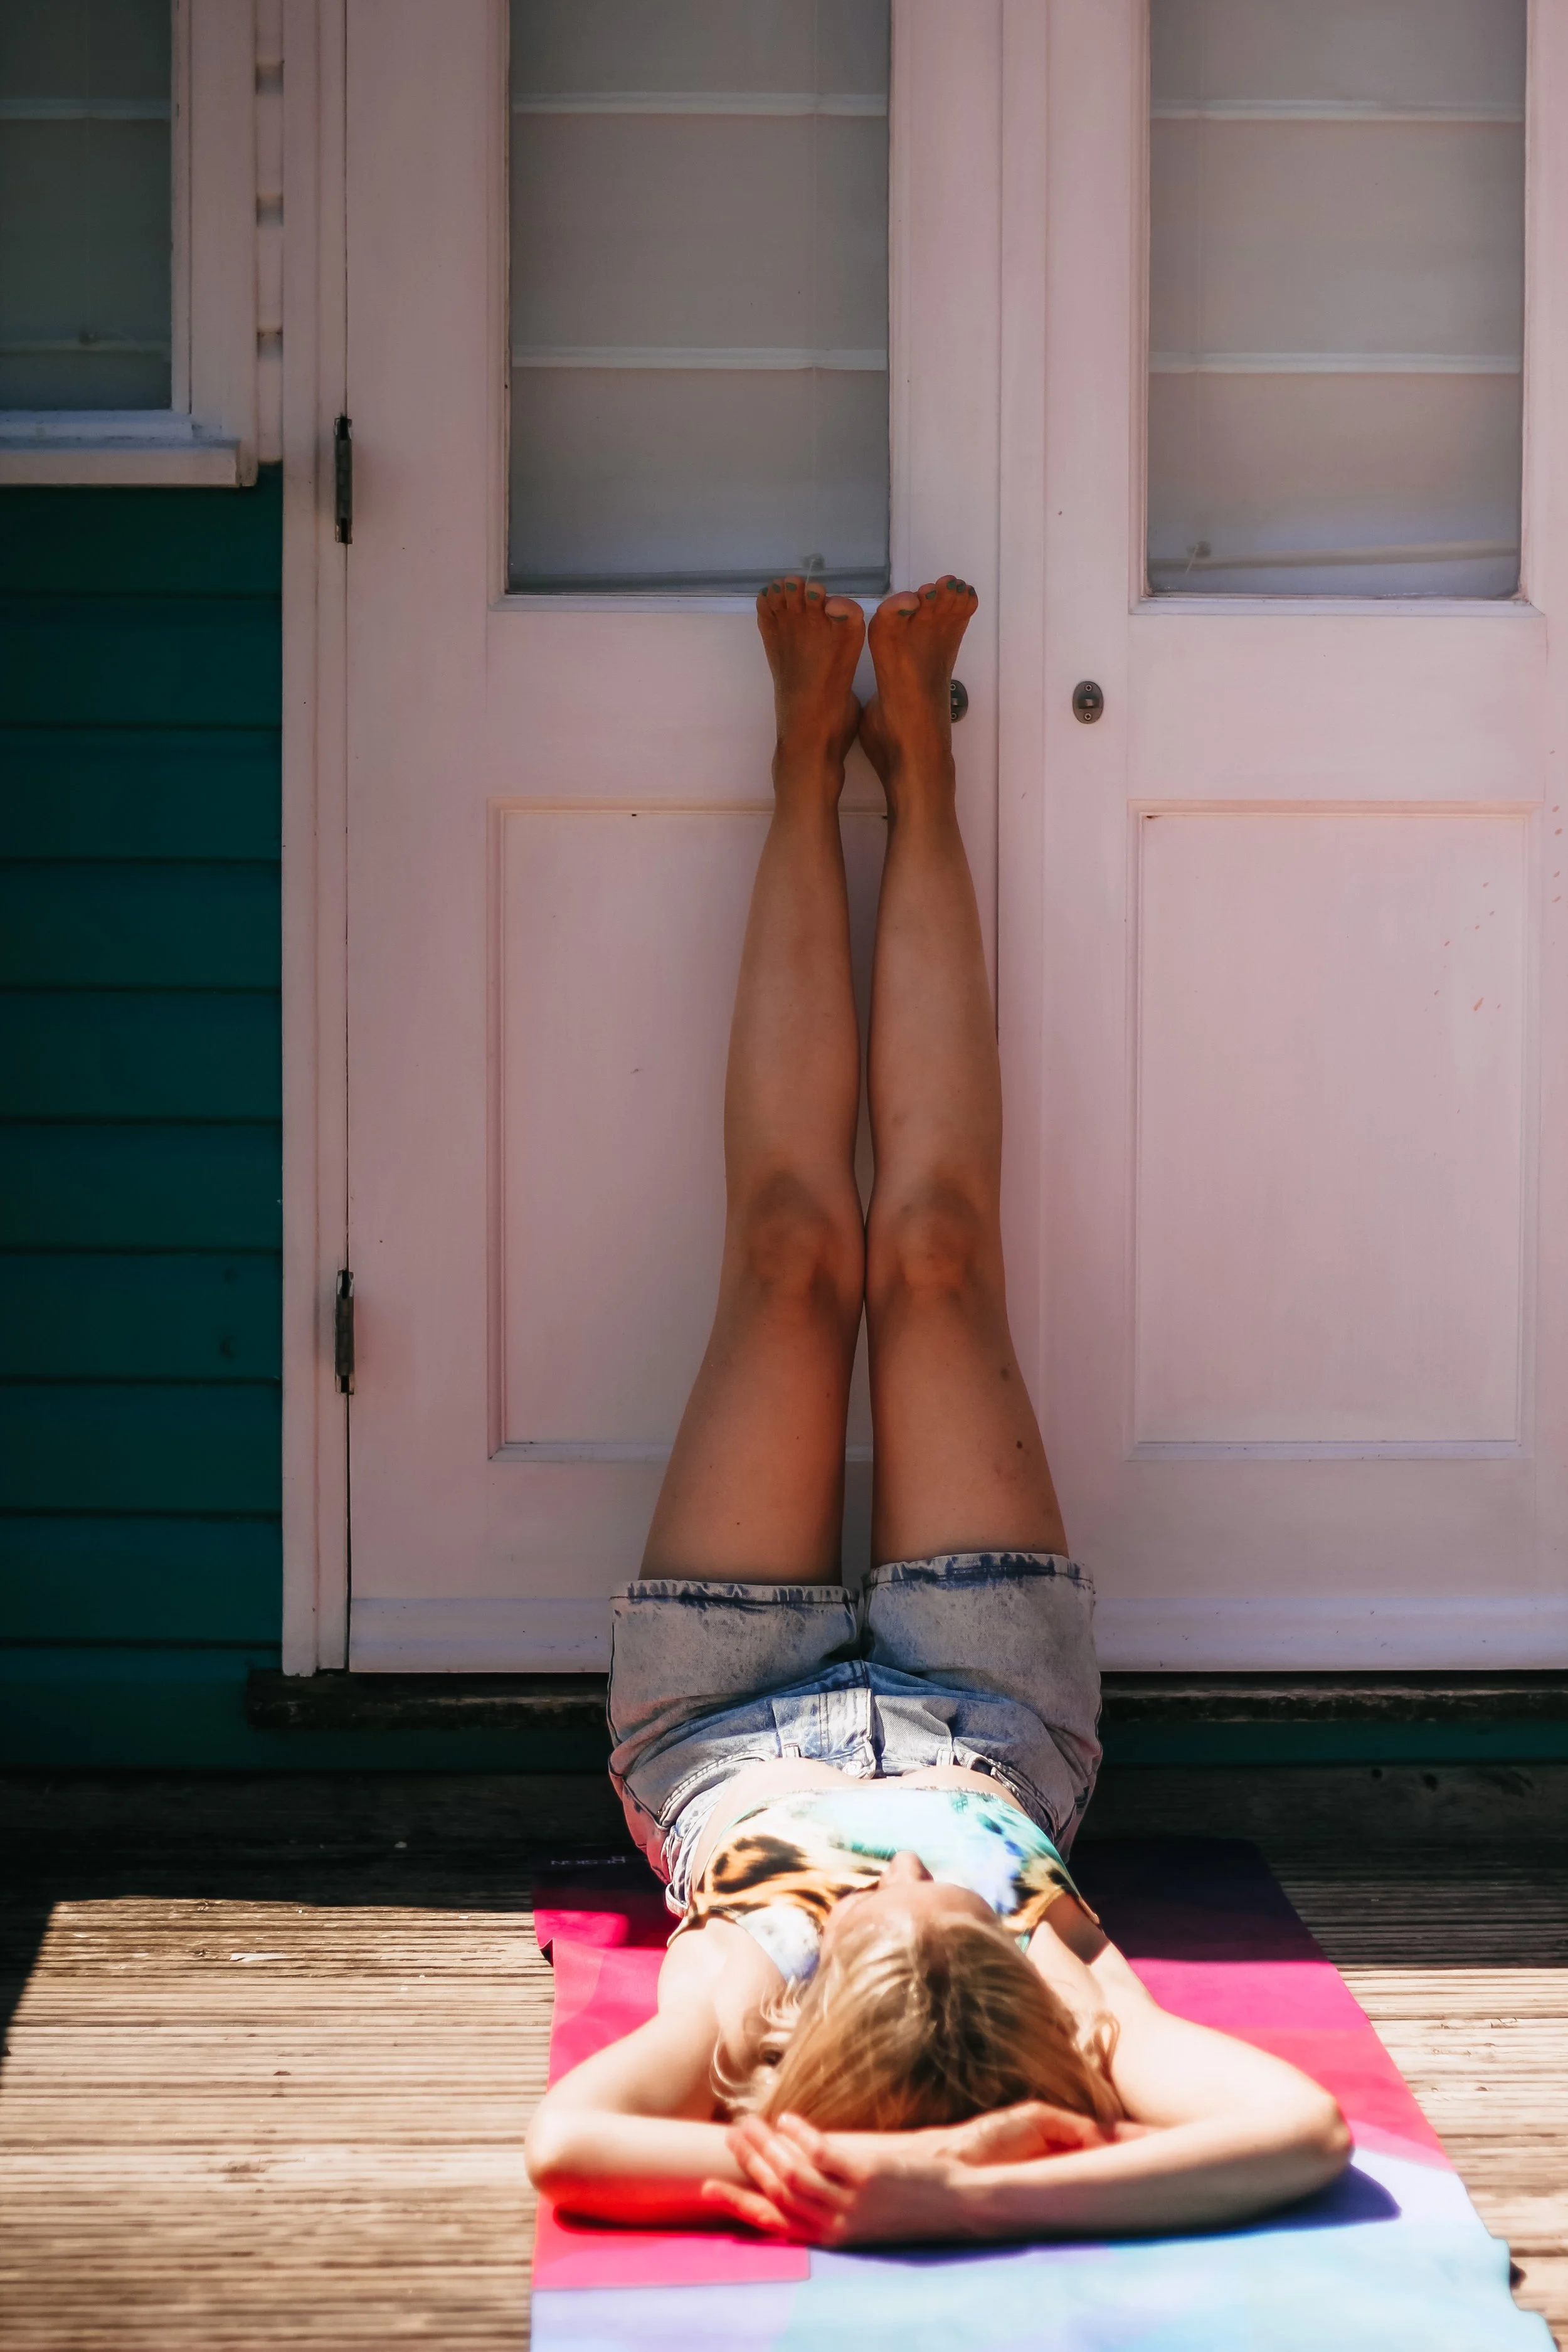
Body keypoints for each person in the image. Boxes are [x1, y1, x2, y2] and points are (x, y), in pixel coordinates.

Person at [524, 576, 1349, 2245]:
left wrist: (804, 2175)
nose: (902, 1879)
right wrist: (969, 2193)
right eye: (934, 1903)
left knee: (786, 1257)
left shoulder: (749, 2009)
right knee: (934, 1253)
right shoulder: (1055, 1986)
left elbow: (574, 2143)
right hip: (991, 1702)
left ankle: (800, 758)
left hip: (720, 1718)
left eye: (886, 1909)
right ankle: (916, 760)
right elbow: (1294, 2126)